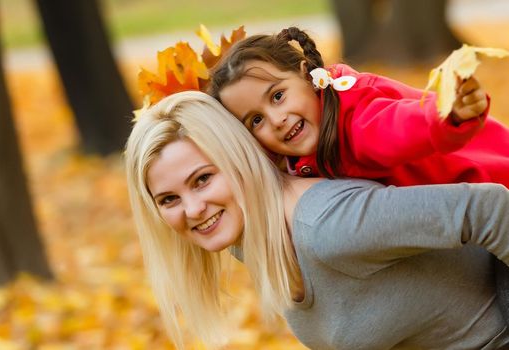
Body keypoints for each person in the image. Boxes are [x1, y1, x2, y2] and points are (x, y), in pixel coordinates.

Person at [125, 90, 509, 349]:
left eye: (203, 179)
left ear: (238, 160)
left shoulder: (327, 225)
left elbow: (491, 209)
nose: (192, 210)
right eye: (169, 199)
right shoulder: (255, 236)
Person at [208, 27, 509, 186]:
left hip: (494, 183)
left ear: (306, 74)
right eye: (255, 120)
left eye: (277, 96)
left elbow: (396, 126)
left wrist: (447, 114)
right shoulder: (302, 141)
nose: (276, 119)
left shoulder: (353, 119)